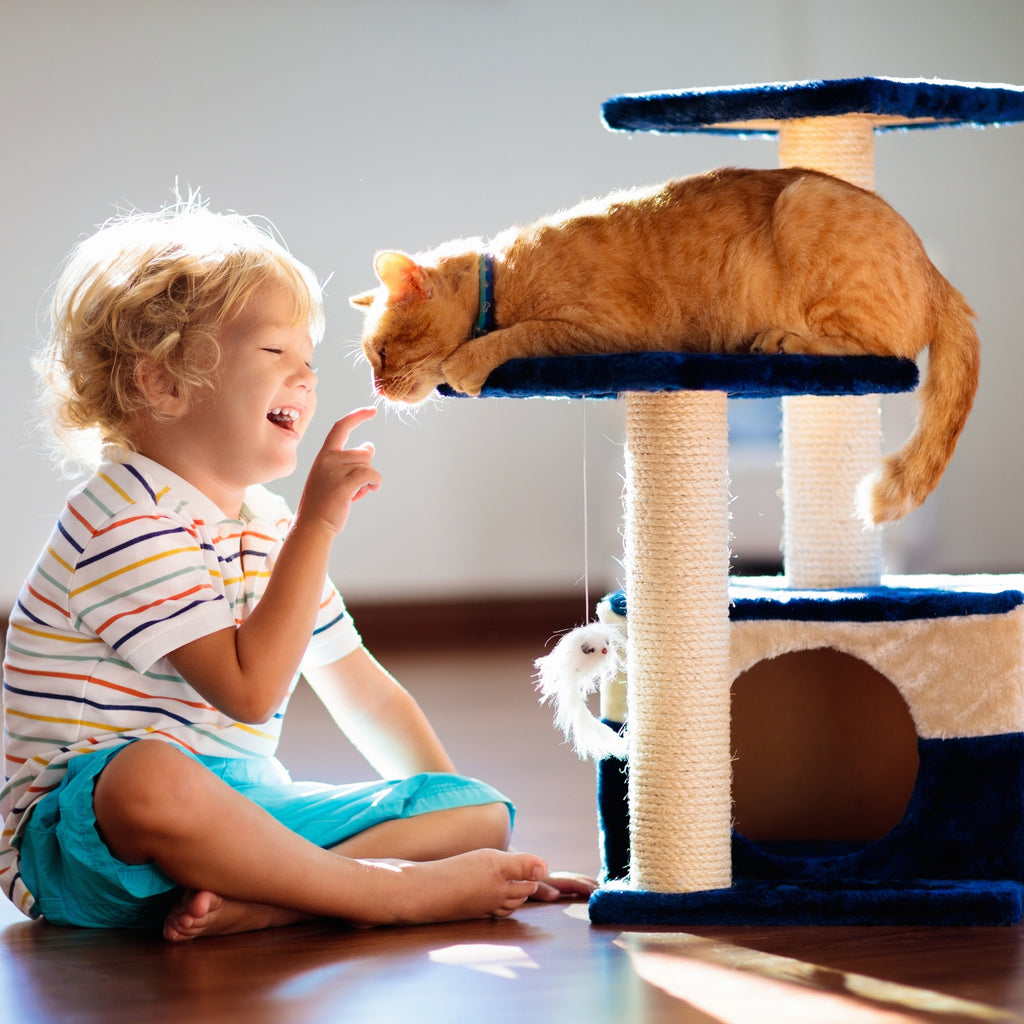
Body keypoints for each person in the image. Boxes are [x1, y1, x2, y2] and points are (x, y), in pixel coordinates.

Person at [1, 200, 594, 941]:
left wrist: (473, 845)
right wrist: (317, 525)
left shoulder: (267, 523)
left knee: (476, 811)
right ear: (163, 384)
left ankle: (273, 900)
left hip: (239, 821)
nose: (307, 377)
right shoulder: (123, 518)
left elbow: (367, 699)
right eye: (274, 351)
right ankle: (379, 893)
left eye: (309, 359)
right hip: (82, 844)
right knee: (148, 776)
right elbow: (248, 693)